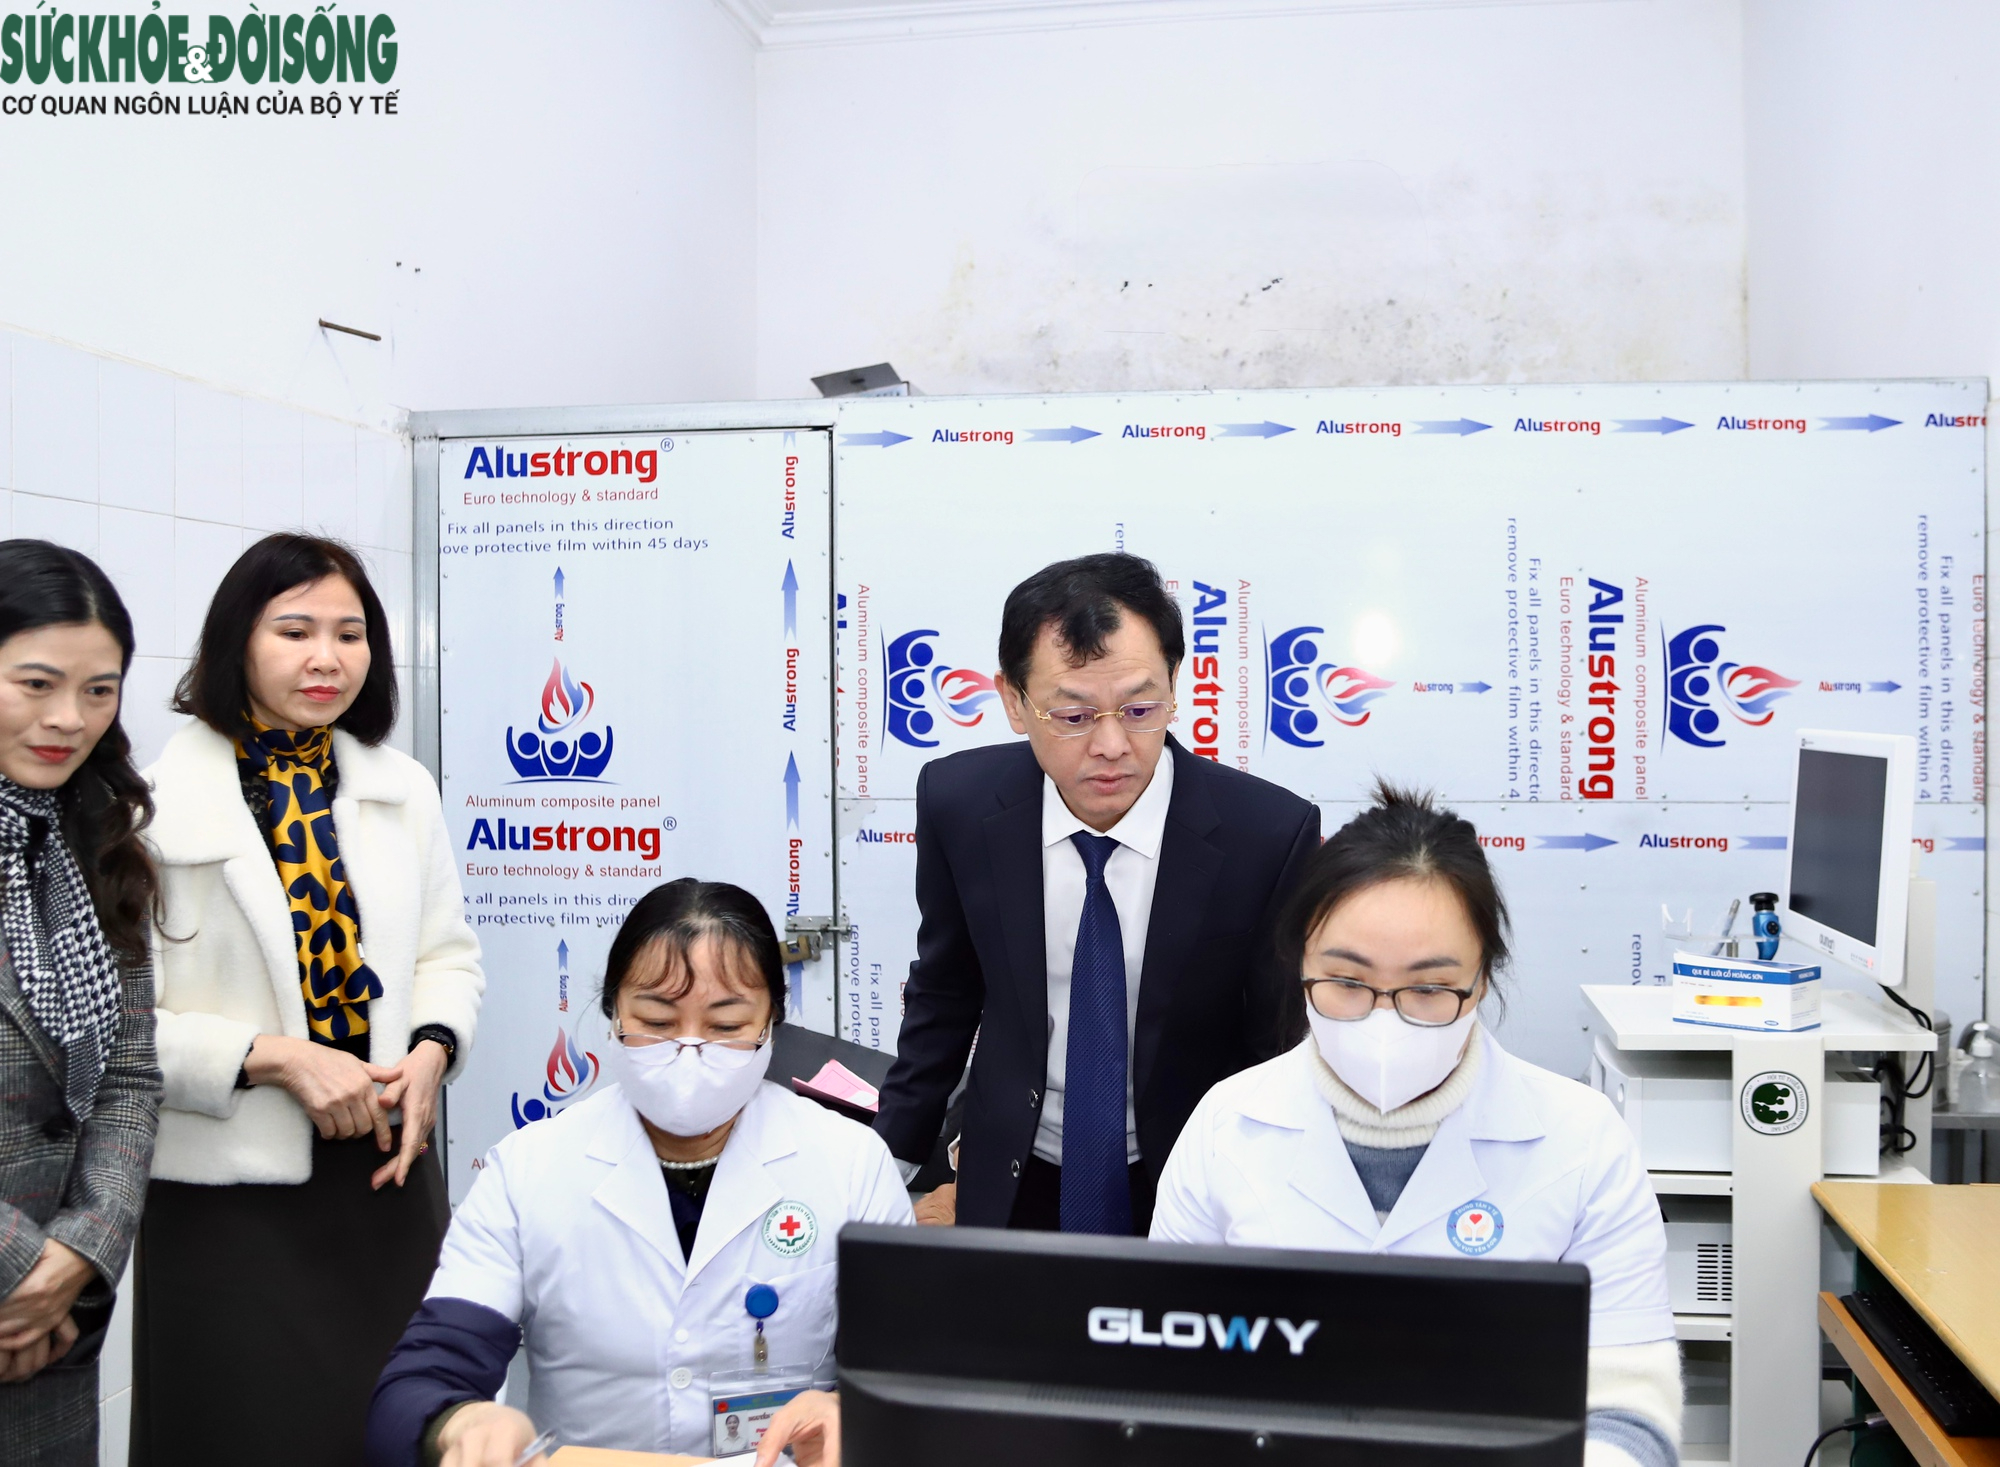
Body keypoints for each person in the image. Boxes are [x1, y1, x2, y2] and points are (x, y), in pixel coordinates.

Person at [1151, 783, 1681, 1467]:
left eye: (1428, 988)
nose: (1384, 1018)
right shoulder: (1228, 1126)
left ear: (1482, 979)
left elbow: (1631, 1415)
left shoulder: (1582, 1142)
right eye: (1348, 982)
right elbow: (1167, 1385)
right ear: (1300, 964)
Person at [132, 534, 485, 1467]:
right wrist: (276, 1057)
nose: (327, 657)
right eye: (295, 631)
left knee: (408, 1428)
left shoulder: (401, 789)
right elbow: (120, 1029)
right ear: (236, 641)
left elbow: (448, 956)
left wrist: (432, 1051)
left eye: (349, 633)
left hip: (386, 1176)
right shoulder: (151, 806)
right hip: (226, 1197)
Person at [366, 878, 914, 1467]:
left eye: (726, 1026)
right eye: (656, 1020)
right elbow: (415, 1388)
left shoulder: (850, 1165)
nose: (689, 1051)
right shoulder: (529, 1171)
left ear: (770, 1025)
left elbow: (916, 1374)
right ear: (613, 1015)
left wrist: (856, 1415)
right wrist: (460, 1422)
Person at [874, 552, 1321, 1234]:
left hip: (1192, 1174)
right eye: (1073, 715)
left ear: (1175, 682)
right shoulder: (958, 804)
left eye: (1140, 708)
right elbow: (945, 992)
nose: (1112, 745)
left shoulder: (1268, 835)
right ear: (1013, 702)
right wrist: (887, 1161)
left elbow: (1276, 1046)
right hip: (1013, 1167)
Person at [0, 542, 161, 1465]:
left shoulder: (92, 836)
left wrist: (81, 1254)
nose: (70, 718)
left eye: (99, 690)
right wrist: (23, 1271)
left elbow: (129, 1073)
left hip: (54, 1337)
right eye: (36, 684)